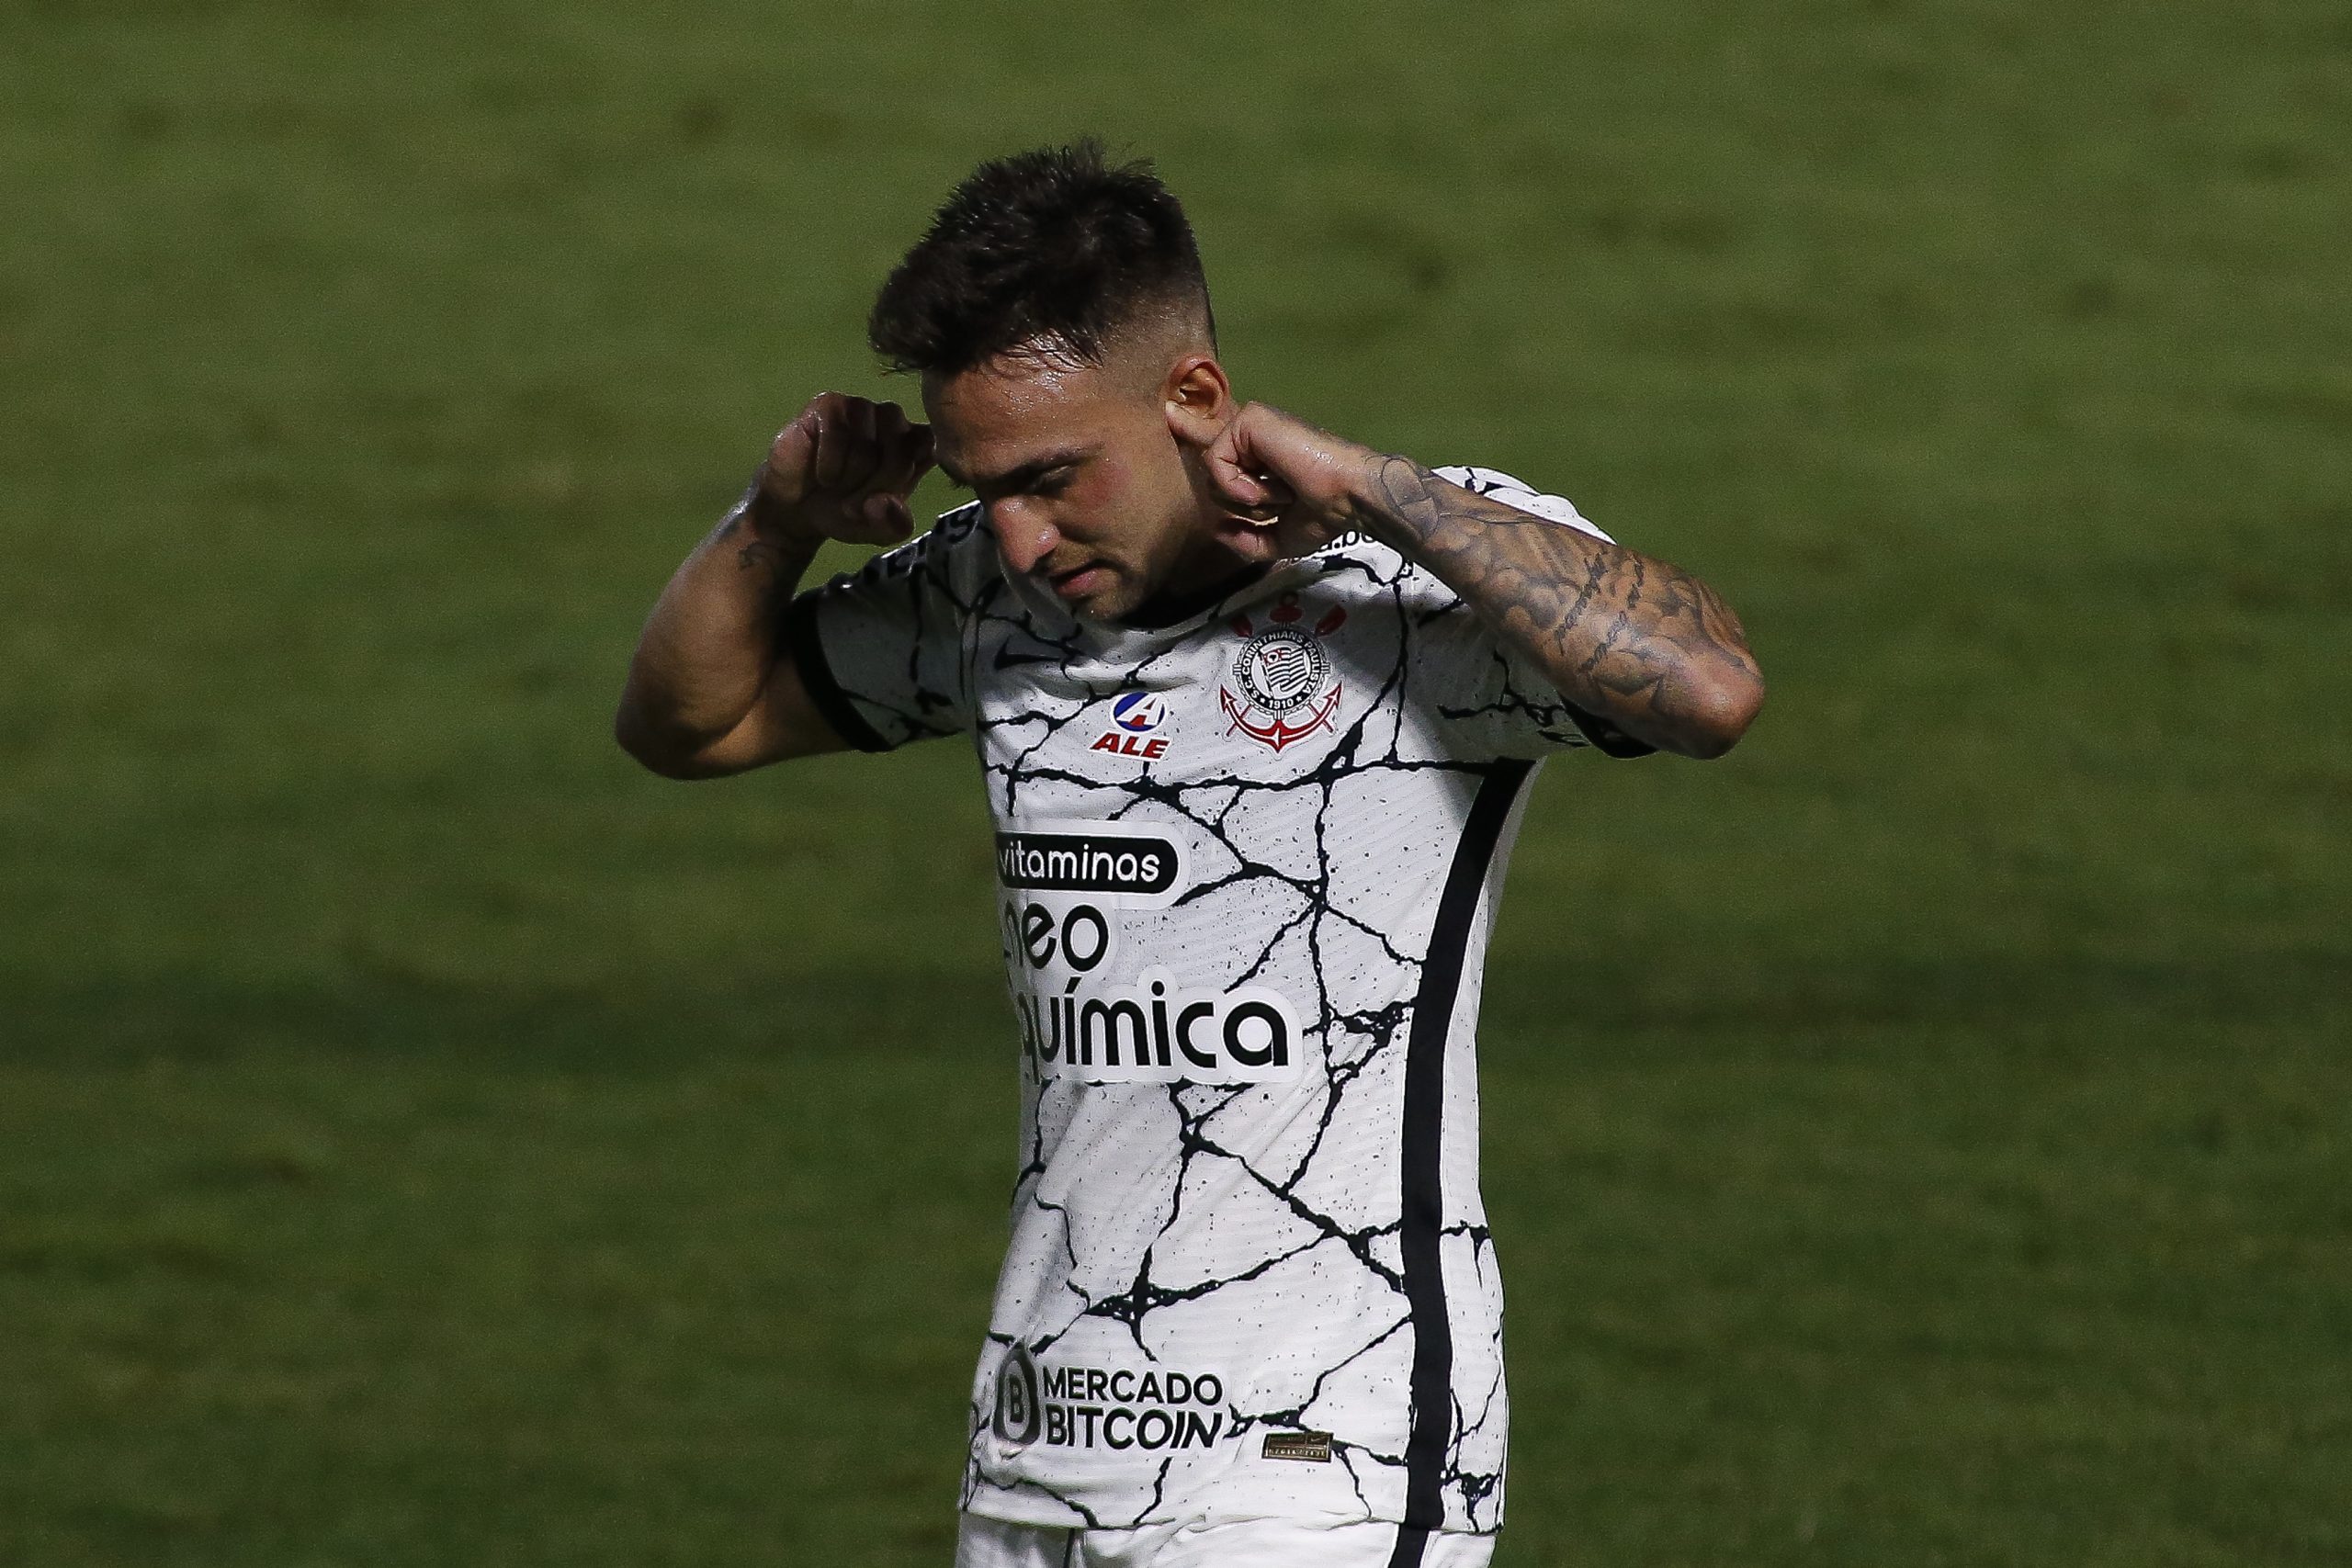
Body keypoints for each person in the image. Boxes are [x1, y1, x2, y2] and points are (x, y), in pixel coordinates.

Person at [615, 141, 1762, 1568]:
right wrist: (777, 522)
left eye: (1053, 477)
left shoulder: (1402, 586)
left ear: (1196, 397)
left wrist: (1373, 485)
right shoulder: (990, 600)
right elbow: (689, 723)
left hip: (1312, 1475)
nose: (1020, 538)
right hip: (1036, 1460)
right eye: (986, 486)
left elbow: (1708, 690)